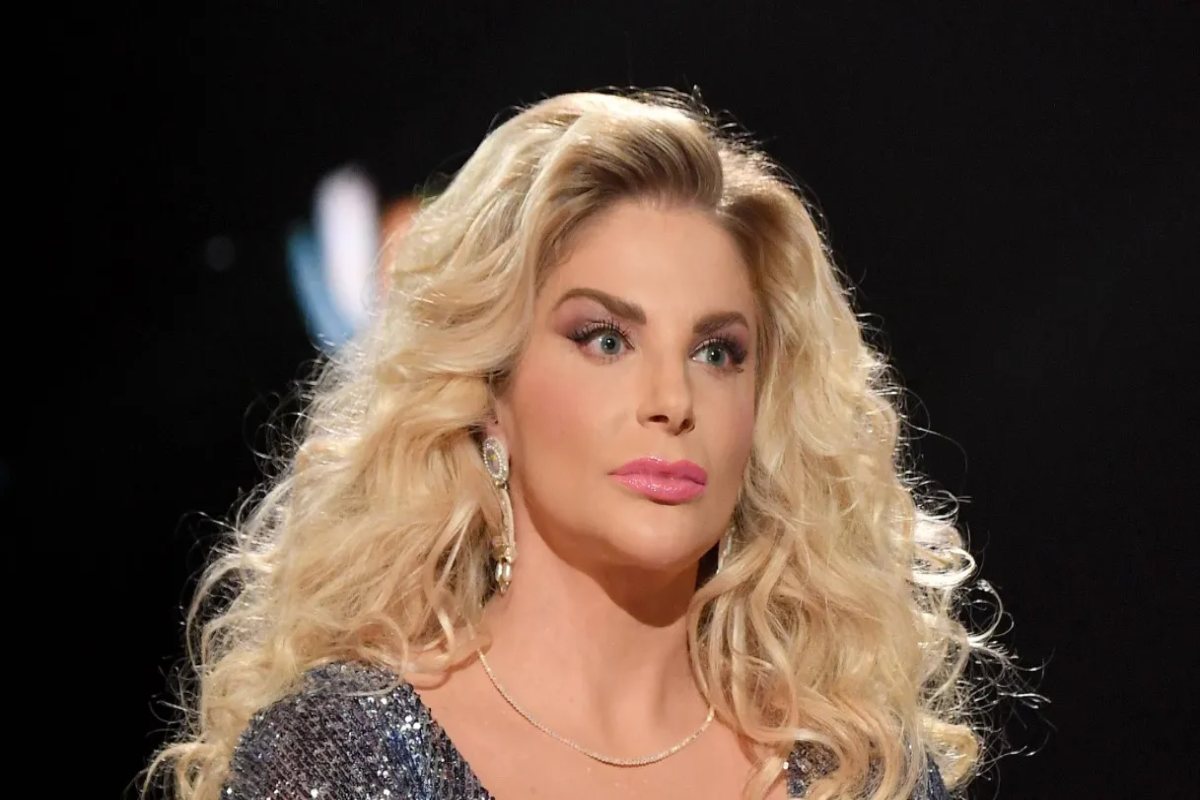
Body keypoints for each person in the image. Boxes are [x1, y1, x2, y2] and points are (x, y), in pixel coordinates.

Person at [143, 88, 1005, 800]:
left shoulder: (857, 768)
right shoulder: (345, 752)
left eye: (716, 352)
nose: (673, 402)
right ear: (490, 392)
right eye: (605, 340)